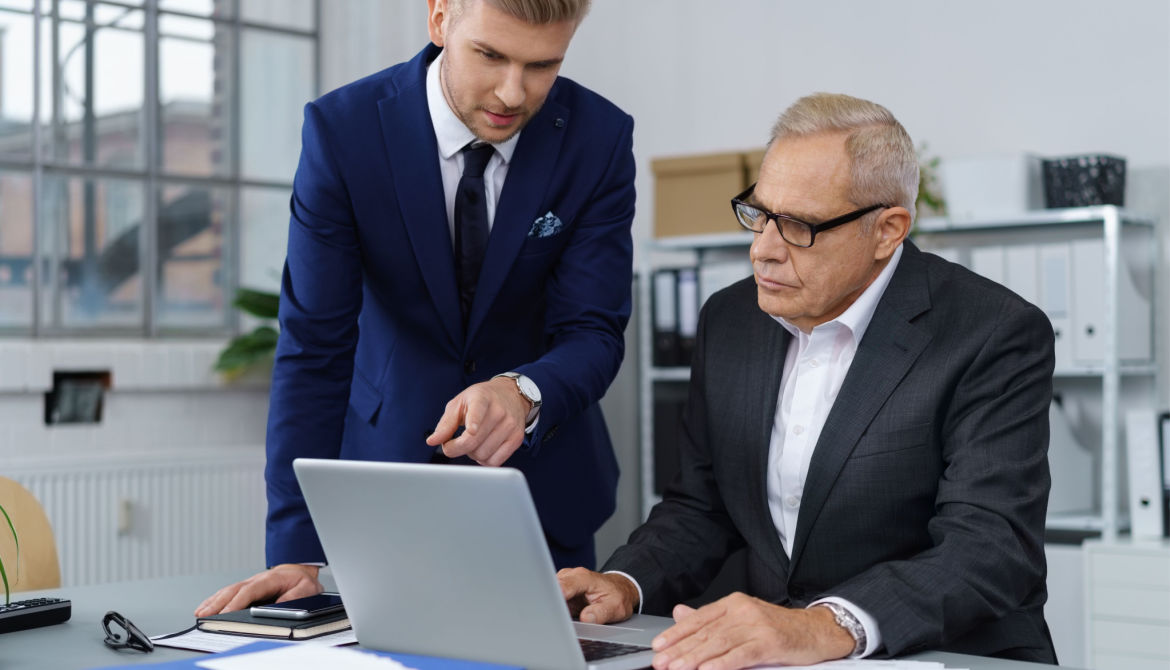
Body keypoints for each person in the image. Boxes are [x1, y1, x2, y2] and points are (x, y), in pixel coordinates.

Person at [559, 93, 1057, 669]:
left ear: (887, 230)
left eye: (798, 226)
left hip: (943, 652)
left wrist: (821, 625)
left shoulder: (992, 332)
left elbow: (987, 547)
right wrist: (626, 582)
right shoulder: (732, 319)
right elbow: (701, 505)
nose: (762, 251)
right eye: (760, 214)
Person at [197, 0, 634, 616]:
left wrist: (523, 391)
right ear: (439, 19)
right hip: (388, 480)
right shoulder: (343, 133)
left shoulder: (599, 138)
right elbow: (313, 349)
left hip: (545, 489)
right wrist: (296, 549)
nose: (513, 93)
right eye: (490, 55)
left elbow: (593, 330)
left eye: (543, 65)